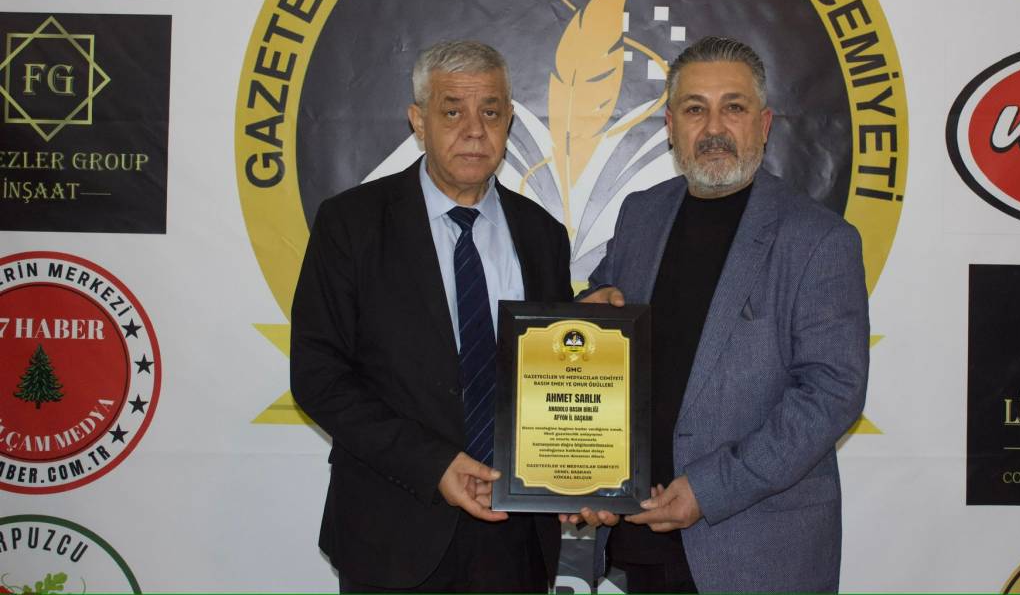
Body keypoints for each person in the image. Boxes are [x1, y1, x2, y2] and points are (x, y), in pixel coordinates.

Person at [573, 36, 870, 593]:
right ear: (670, 126)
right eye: (694, 109)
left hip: (755, 552)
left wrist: (711, 490)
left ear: (764, 123)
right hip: (641, 539)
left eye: (733, 107)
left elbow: (833, 392)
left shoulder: (818, 239)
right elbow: (600, 317)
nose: (714, 128)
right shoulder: (641, 215)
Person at [291, 40, 573, 593]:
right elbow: (318, 376)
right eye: (452, 111)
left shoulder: (542, 235)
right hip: (393, 527)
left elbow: (558, 379)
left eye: (490, 111)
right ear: (418, 121)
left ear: (509, 121)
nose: (474, 130)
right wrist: (434, 464)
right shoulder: (351, 224)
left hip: (515, 537)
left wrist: (578, 473)